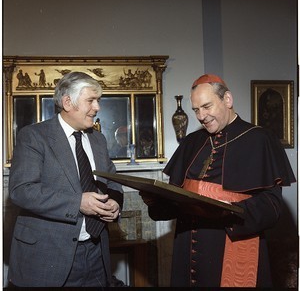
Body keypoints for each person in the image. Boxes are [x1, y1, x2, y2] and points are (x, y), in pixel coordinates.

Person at [140, 74, 296, 288]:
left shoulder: (260, 138)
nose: (201, 116)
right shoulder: (191, 142)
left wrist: (228, 210)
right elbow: (177, 201)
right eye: (196, 110)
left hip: (231, 242)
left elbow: (272, 205)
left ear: (228, 100)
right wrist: (157, 201)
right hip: (188, 248)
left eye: (207, 106)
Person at [8, 71, 124, 287]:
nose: (97, 107)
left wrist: (116, 202)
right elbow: (21, 190)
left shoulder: (98, 139)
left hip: (96, 254)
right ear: (68, 102)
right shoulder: (33, 136)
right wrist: (78, 203)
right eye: (91, 100)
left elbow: (113, 179)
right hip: (46, 257)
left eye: (98, 101)